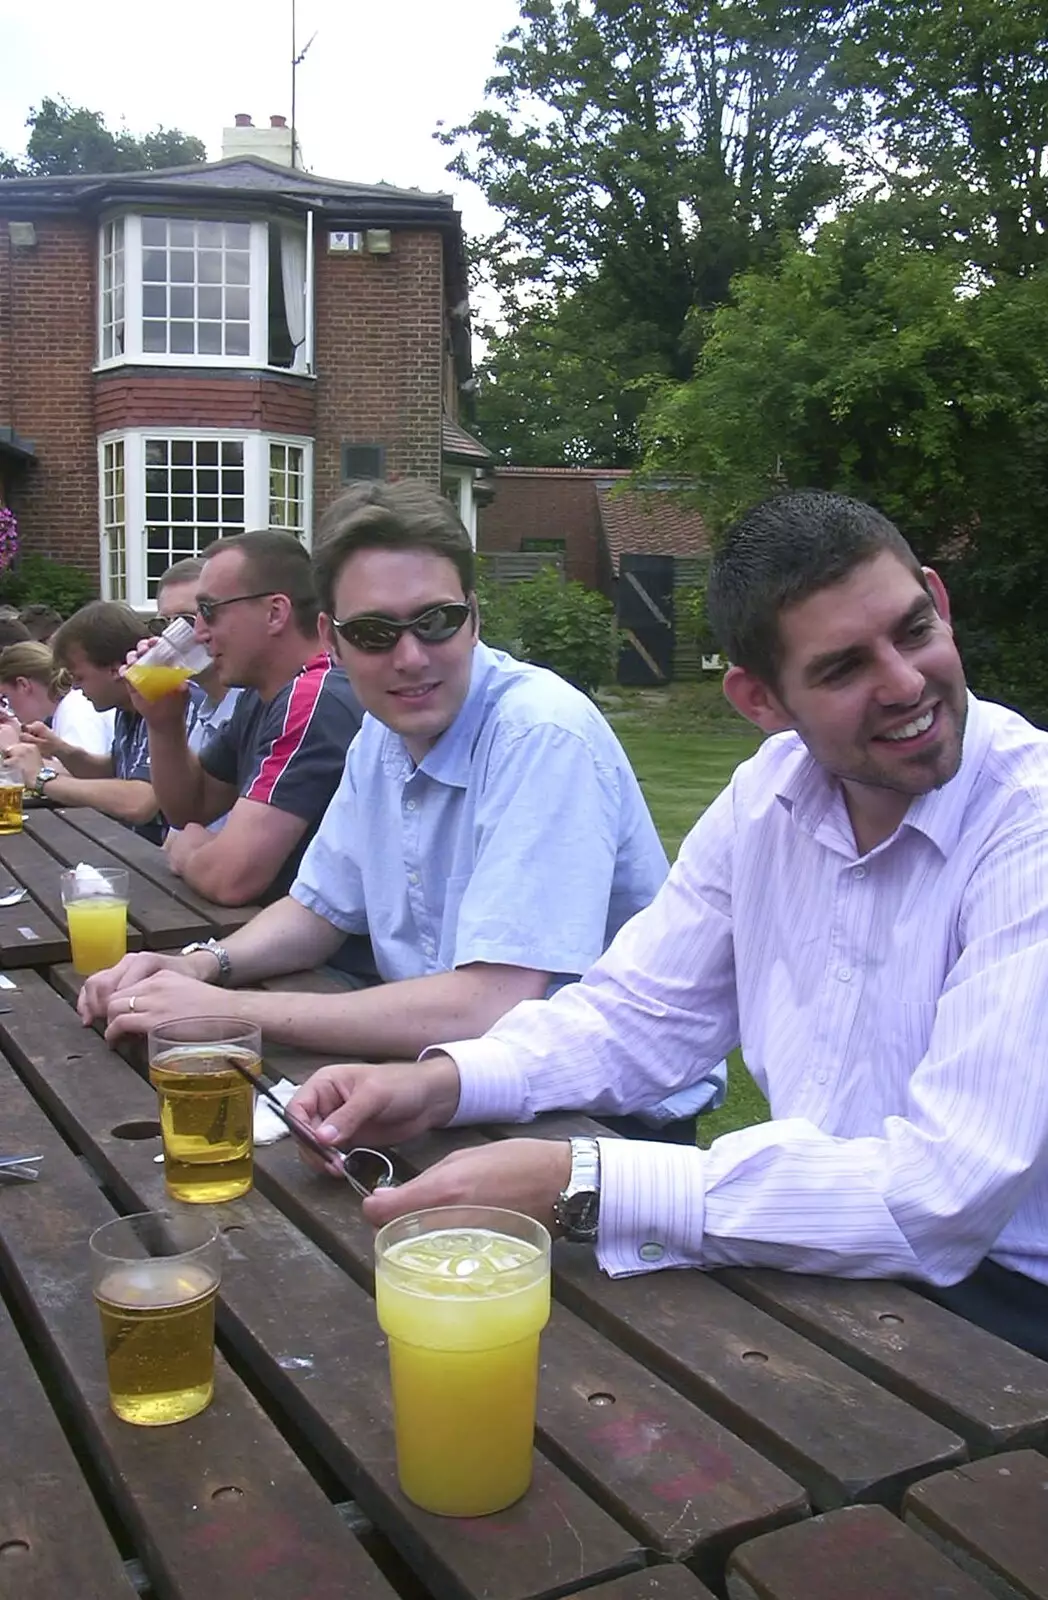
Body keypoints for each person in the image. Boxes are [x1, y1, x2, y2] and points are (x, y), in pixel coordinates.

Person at [279, 489, 1048, 1362]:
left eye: (913, 631)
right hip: (812, 1260)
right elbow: (637, 1015)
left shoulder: (1029, 826)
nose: (906, 683)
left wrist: (583, 1179)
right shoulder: (768, 798)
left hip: (1003, 1312)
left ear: (939, 602)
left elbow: (944, 1195)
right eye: (843, 669)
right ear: (760, 700)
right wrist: (440, 1084)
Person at [77, 481, 689, 1104]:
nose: (412, 657)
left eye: (438, 622)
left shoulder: (540, 733)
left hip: (596, 1117)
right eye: (373, 631)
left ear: (474, 618)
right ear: (333, 637)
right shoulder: (381, 733)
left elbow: (491, 1002)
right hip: (446, 1081)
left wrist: (225, 1010)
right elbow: (316, 911)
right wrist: (199, 965)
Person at [119, 528, 364, 907]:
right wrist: (163, 722)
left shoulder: (313, 697)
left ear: (275, 613)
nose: (198, 633)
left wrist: (190, 850)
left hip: (330, 960)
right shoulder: (262, 694)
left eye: (207, 611)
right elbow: (191, 807)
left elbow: (230, 880)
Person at [16, 601, 165, 841]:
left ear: (116, 669)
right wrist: (60, 749)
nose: (74, 686)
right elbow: (116, 769)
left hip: (163, 864)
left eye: (79, 676)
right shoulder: (127, 707)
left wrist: (43, 779)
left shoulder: (165, 701)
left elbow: (140, 801)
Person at [153, 557, 241, 836]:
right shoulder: (200, 708)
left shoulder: (253, 708)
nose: (170, 636)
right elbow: (178, 824)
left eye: (185, 620)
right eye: (162, 624)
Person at [0, 640, 115, 757]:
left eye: (6, 696)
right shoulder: (68, 707)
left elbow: (86, 773)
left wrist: (13, 748)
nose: (9, 707)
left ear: (23, 685)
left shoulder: (76, 710)